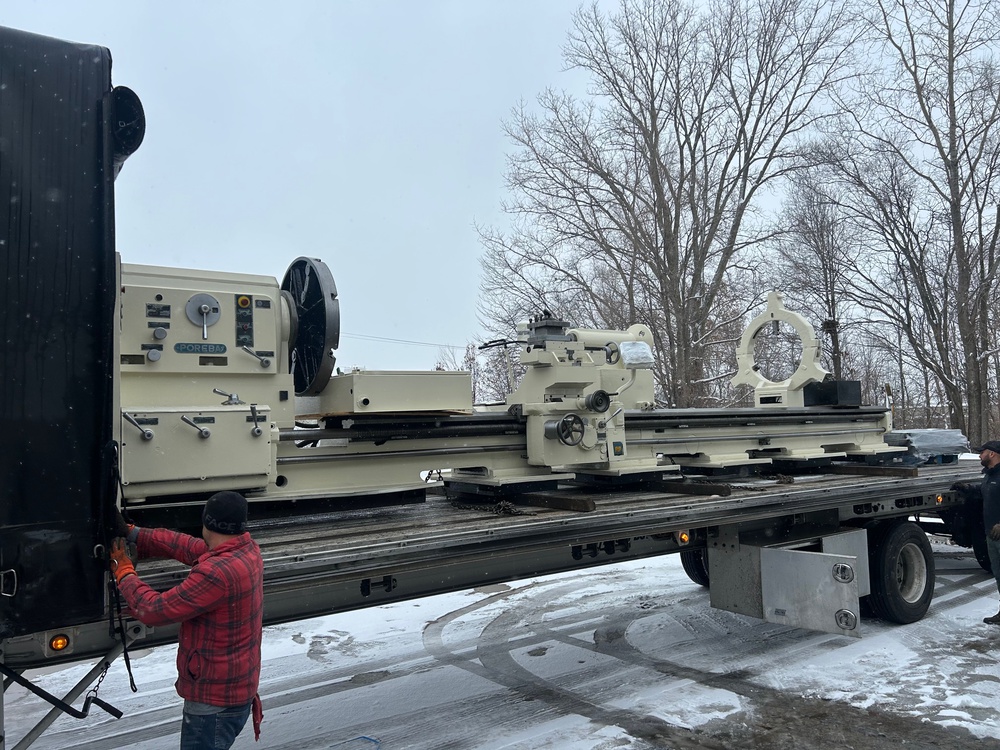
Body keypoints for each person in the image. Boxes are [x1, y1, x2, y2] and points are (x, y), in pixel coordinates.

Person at [110, 491, 265, 749]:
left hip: (213, 702)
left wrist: (123, 571)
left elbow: (153, 610)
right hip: (234, 690)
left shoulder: (217, 573)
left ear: (206, 521)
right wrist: (134, 533)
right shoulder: (246, 551)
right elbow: (186, 546)